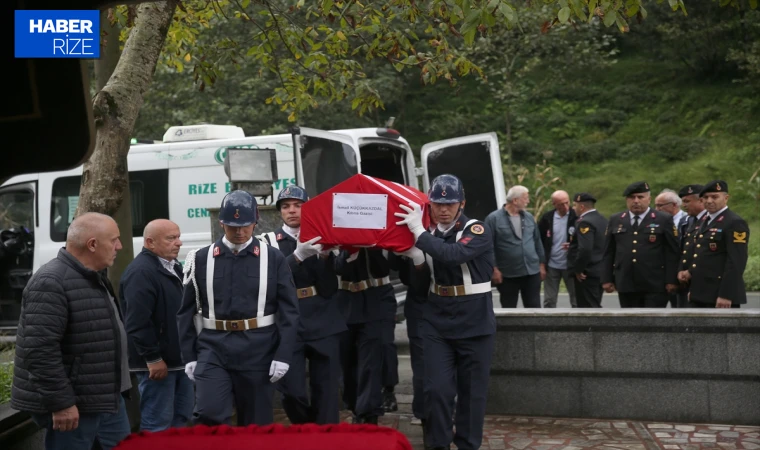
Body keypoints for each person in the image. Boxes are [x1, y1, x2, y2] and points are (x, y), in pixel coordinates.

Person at [176, 190, 299, 426]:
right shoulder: (201, 258)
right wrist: (189, 356)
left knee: (256, 423)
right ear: (222, 223)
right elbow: (186, 311)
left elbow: (289, 311)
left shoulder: (273, 258)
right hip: (213, 347)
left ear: (256, 222)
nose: (240, 232)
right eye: (233, 226)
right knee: (208, 412)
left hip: (259, 348)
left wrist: (283, 355)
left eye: (245, 225)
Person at [11, 212, 131, 450]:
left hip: (107, 400)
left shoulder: (94, 277)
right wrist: (61, 404)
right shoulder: (50, 282)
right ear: (93, 244)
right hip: (74, 408)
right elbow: (39, 351)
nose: (120, 246)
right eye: (114, 240)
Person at [395, 174, 495, 450]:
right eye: (437, 203)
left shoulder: (477, 230)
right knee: (436, 390)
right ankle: (437, 444)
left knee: (472, 394)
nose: (443, 209)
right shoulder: (430, 234)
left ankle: (467, 445)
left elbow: (453, 256)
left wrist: (419, 234)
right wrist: (416, 261)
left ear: (461, 203)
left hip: (473, 321)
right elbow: (419, 285)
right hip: (437, 321)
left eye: (449, 203)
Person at [258, 186, 346, 424]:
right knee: (291, 390)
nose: (292, 211)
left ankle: (325, 438)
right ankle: (306, 428)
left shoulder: (323, 235)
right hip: (289, 321)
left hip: (324, 317)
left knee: (327, 391)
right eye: (286, 206)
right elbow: (269, 279)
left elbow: (332, 284)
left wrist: (329, 256)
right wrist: (297, 256)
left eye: (298, 205)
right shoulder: (268, 242)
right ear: (280, 212)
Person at [120, 219, 193, 432]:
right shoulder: (141, 272)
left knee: (182, 419)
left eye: (178, 236)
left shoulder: (173, 266)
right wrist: (153, 358)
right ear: (150, 242)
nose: (179, 243)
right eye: (171, 238)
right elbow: (136, 322)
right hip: (158, 365)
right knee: (157, 424)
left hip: (180, 361)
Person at [334, 243, 394, 424]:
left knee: (371, 361)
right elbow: (335, 267)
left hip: (376, 298)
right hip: (342, 301)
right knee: (346, 362)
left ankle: (367, 413)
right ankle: (355, 405)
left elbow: (388, 265)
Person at [602, 181, 680, 308]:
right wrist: (606, 278)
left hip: (654, 282)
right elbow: (609, 251)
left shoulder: (663, 219)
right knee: (630, 322)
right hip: (626, 282)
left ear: (649, 199)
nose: (636, 201)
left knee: (652, 322)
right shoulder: (616, 219)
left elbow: (672, 251)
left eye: (640, 197)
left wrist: (671, 280)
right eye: (632, 197)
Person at [678, 181, 750, 308]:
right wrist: (691, 278)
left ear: (726, 198)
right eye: (705, 197)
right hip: (700, 292)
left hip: (720, 294)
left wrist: (726, 295)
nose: (709, 201)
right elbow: (701, 255)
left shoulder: (734, 222)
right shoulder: (704, 220)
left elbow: (736, 262)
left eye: (714, 197)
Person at [485, 185, 545, 308]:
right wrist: (494, 269)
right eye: (525, 198)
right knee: (508, 307)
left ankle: (534, 328)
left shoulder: (528, 217)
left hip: (531, 271)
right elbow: (488, 247)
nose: (528, 201)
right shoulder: (493, 219)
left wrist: (542, 265)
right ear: (515, 200)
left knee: (534, 308)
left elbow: (537, 241)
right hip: (507, 274)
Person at [537, 190, 578, 307]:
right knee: (549, 300)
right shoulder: (547, 218)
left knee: (576, 299)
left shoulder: (576, 217)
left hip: (570, 265)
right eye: (561, 204)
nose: (565, 206)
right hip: (552, 265)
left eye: (567, 203)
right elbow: (539, 241)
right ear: (554, 204)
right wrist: (542, 264)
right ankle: (549, 324)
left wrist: (573, 246)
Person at [566, 193, 608, 308]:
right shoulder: (602, 219)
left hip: (587, 272)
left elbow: (585, 249)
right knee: (594, 302)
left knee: (588, 307)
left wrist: (578, 269)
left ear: (581, 207)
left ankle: (593, 327)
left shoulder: (585, 222)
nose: (573, 208)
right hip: (600, 269)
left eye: (575, 205)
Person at [675, 184, 706, 307]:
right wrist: (680, 270)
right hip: (686, 281)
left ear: (700, 201)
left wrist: (691, 271)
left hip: (702, 279)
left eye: (687, 201)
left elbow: (704, 252)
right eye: (683, 201)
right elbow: (684, 249)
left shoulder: (708, 221)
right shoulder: (688, 220)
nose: (684, 205)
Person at [655, 189, 686, 308]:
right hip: (661, 275)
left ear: (674, 205)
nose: (657, 209)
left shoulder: (687, 220)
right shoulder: (656, 220)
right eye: (655, 205)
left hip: (681, 274)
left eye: (660, 205)